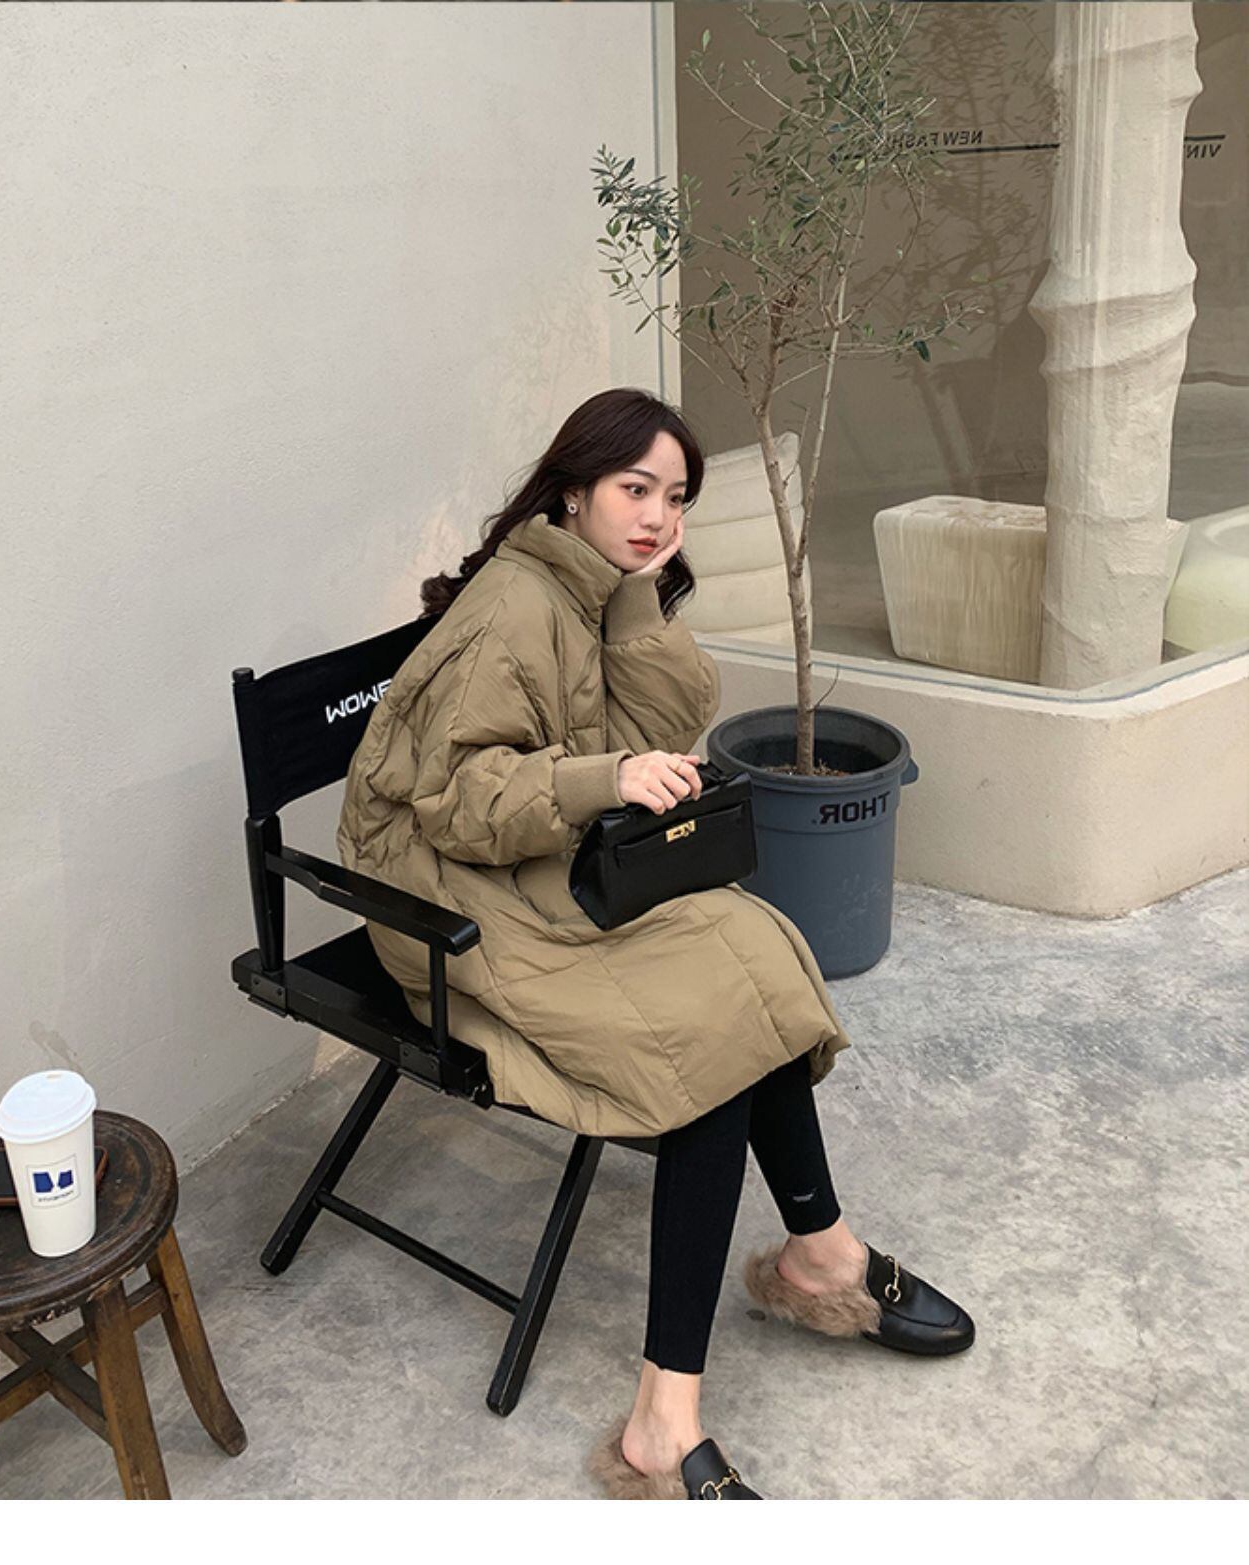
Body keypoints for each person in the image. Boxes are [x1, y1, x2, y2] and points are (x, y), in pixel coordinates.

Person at [336, 387, 973, 1500]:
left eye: (675, 498)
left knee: (754, 950)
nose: (658, 516)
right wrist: (607, 778)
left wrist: (635, 601)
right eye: (635, 489)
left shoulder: (589, 588)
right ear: (572, 489)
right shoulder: (512, 608)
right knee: (703, 1052)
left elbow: (665, 720)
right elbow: (456, 800)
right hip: (449, 905)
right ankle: (662, 1424)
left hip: (537, 868)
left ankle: (819, 1251)